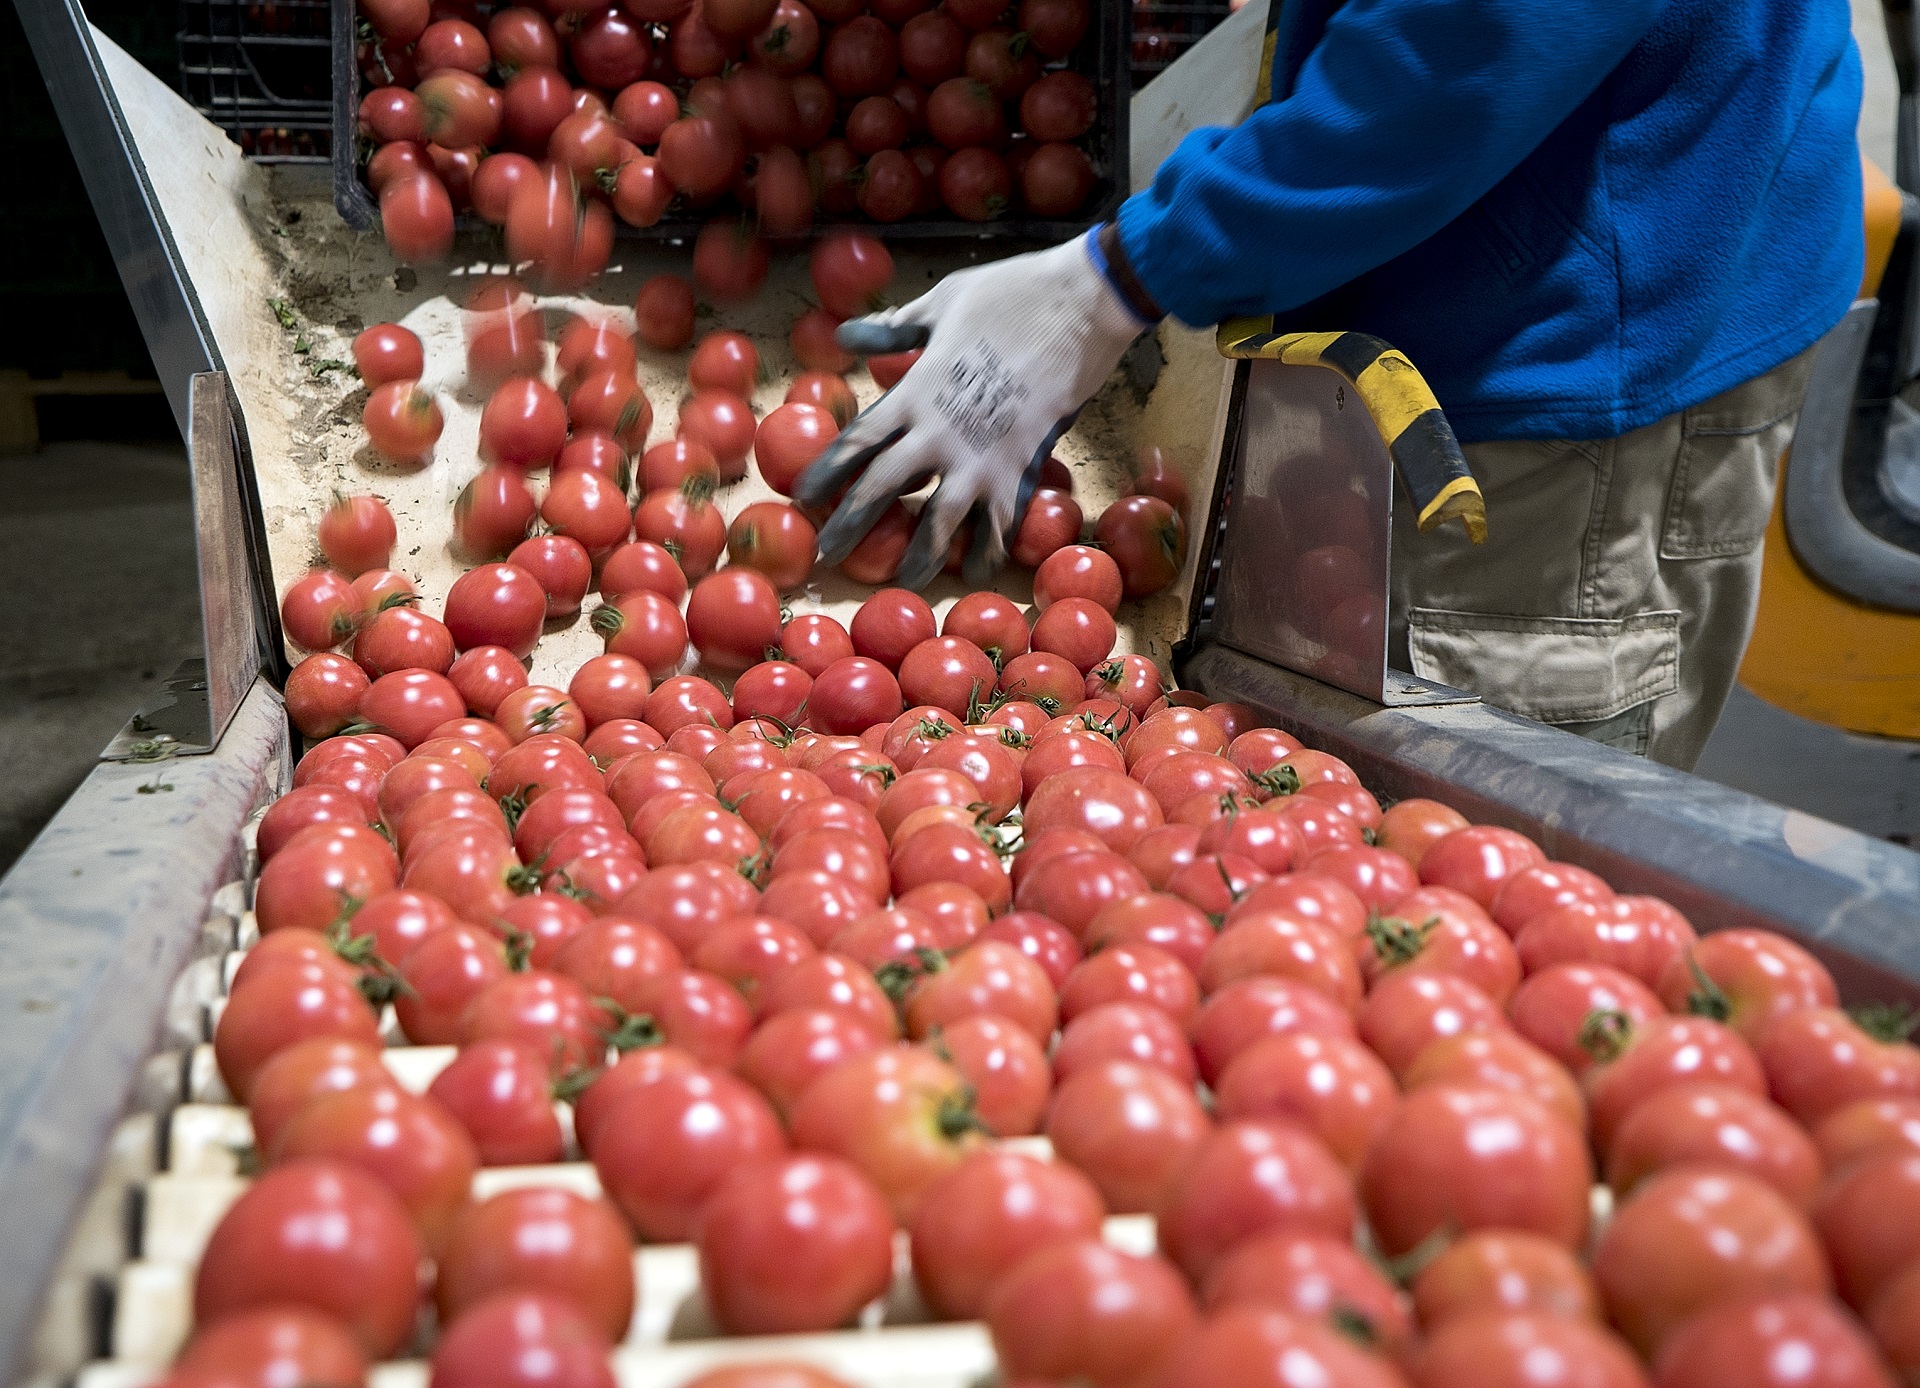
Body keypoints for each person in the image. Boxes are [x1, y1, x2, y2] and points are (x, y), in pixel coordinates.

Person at [796, 0, 1865, 770]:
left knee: (1477, 856)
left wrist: (1118, 279)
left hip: (1584, 334)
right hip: (1489, 240)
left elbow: (1483, 37)